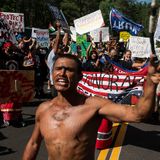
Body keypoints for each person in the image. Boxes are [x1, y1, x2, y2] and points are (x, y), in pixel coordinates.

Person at [22, 53, 160, 160]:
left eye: (68, 70)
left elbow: (138, 114)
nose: (62, 73)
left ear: (79, 77)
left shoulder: (94, 106)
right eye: (58, 69)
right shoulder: (43, 109)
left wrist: (150, 83)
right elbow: (33, 143)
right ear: (52, 74)